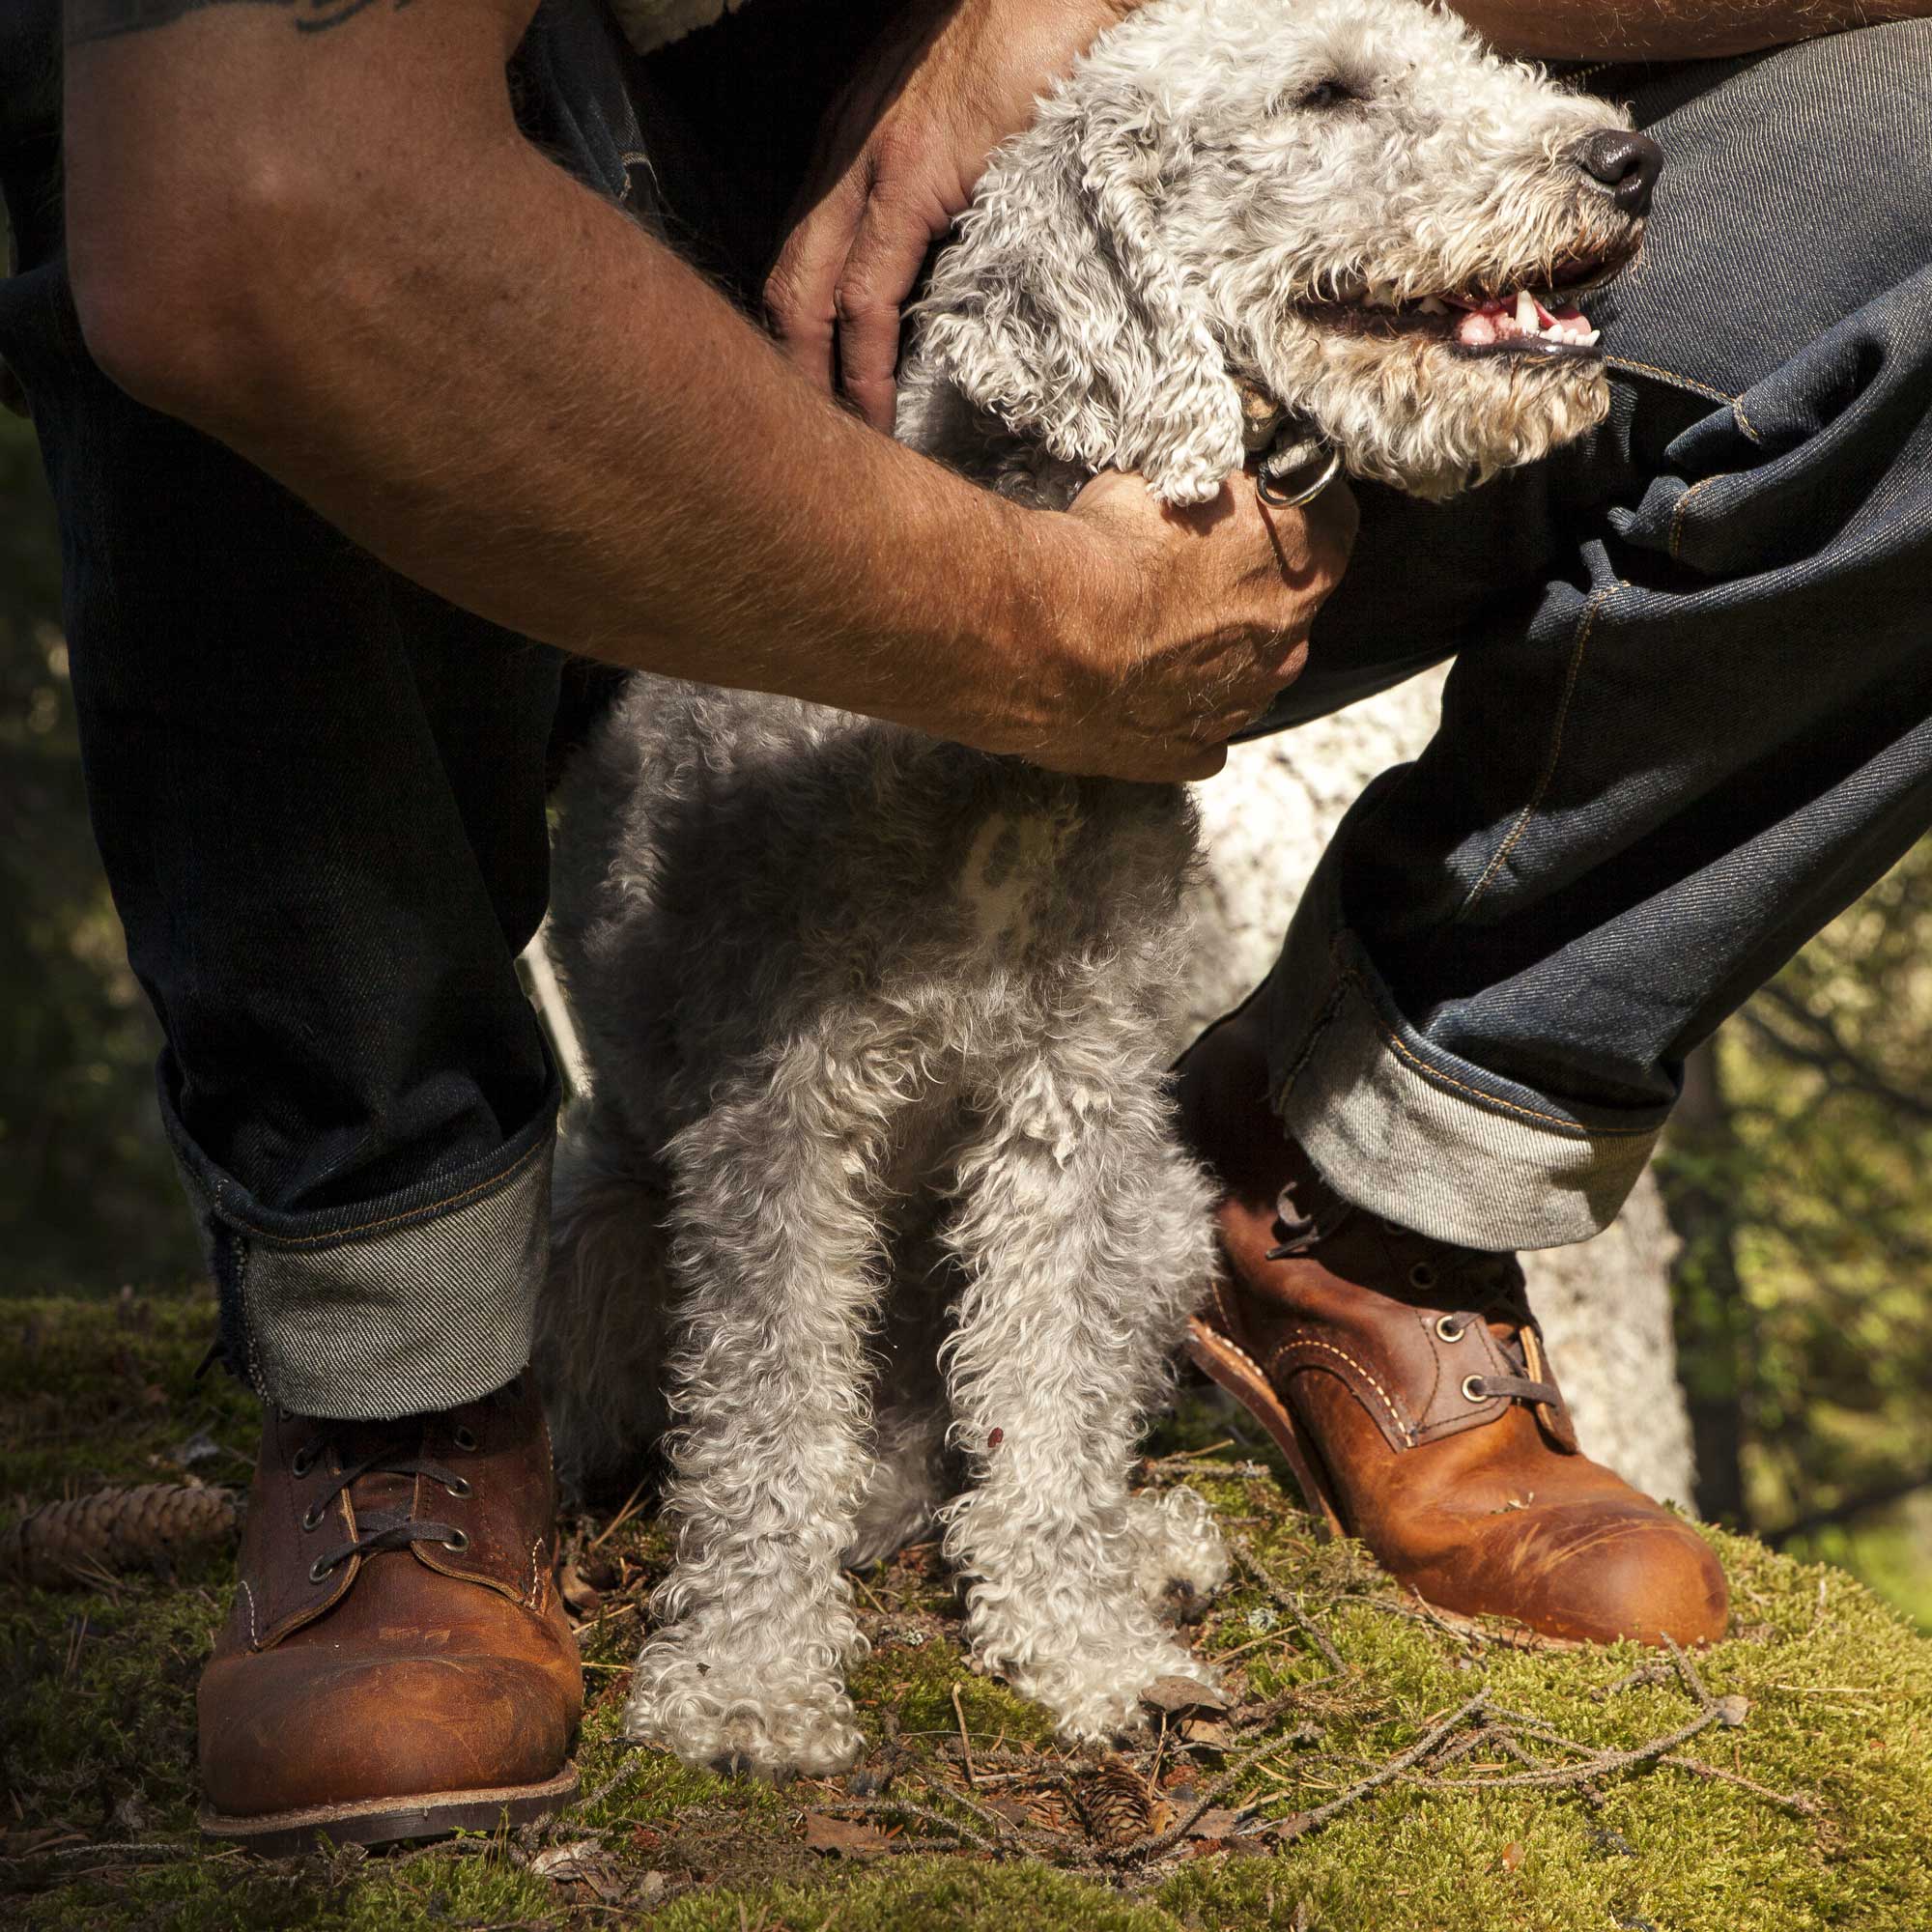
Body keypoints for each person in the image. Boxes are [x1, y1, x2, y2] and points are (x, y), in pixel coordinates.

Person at [1, 0, 1925, 1850]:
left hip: (1099, 229)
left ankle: (1364, 1187)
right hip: (534, 234)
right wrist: (1045, 625)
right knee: (144, 113)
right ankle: (396, 1360)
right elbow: (243, 186)